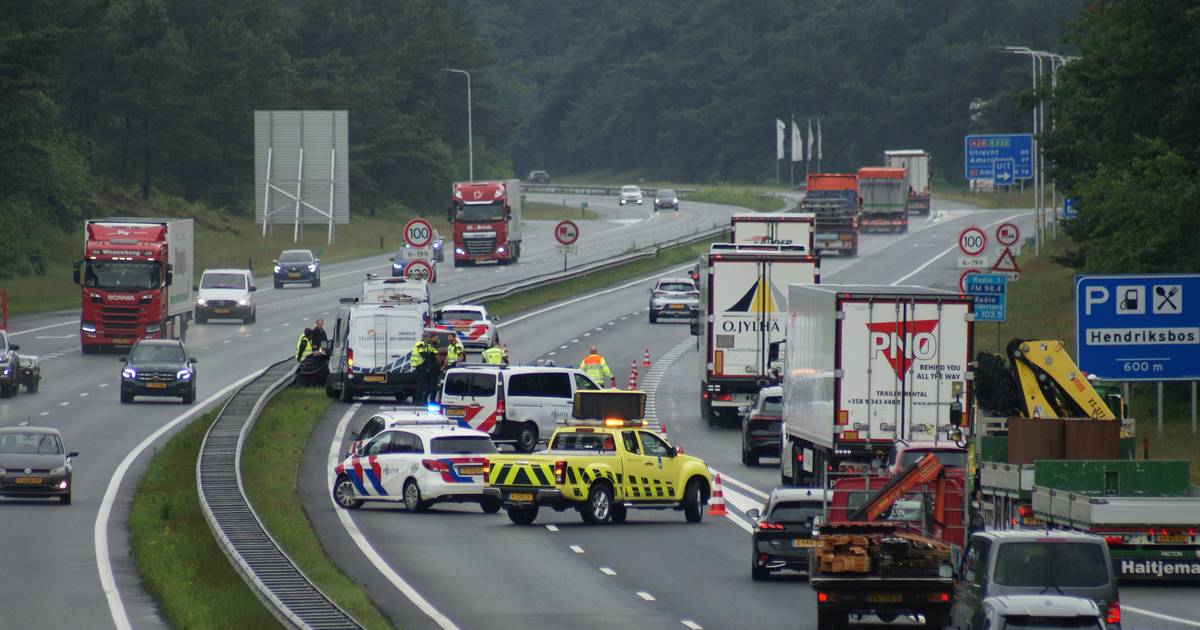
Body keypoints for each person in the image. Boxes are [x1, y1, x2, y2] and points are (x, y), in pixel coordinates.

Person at [410, 332, 440, 404]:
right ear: (425, 337)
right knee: (421, 385)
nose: (427, 339)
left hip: (421, 366)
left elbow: (431, 352)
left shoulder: (424, 344)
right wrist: (429, 363)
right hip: (420, 366)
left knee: (423, 384)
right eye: (426, 337)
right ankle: (418, 400)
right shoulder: (420, 344)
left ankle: (421, 400)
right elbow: (424, 355)